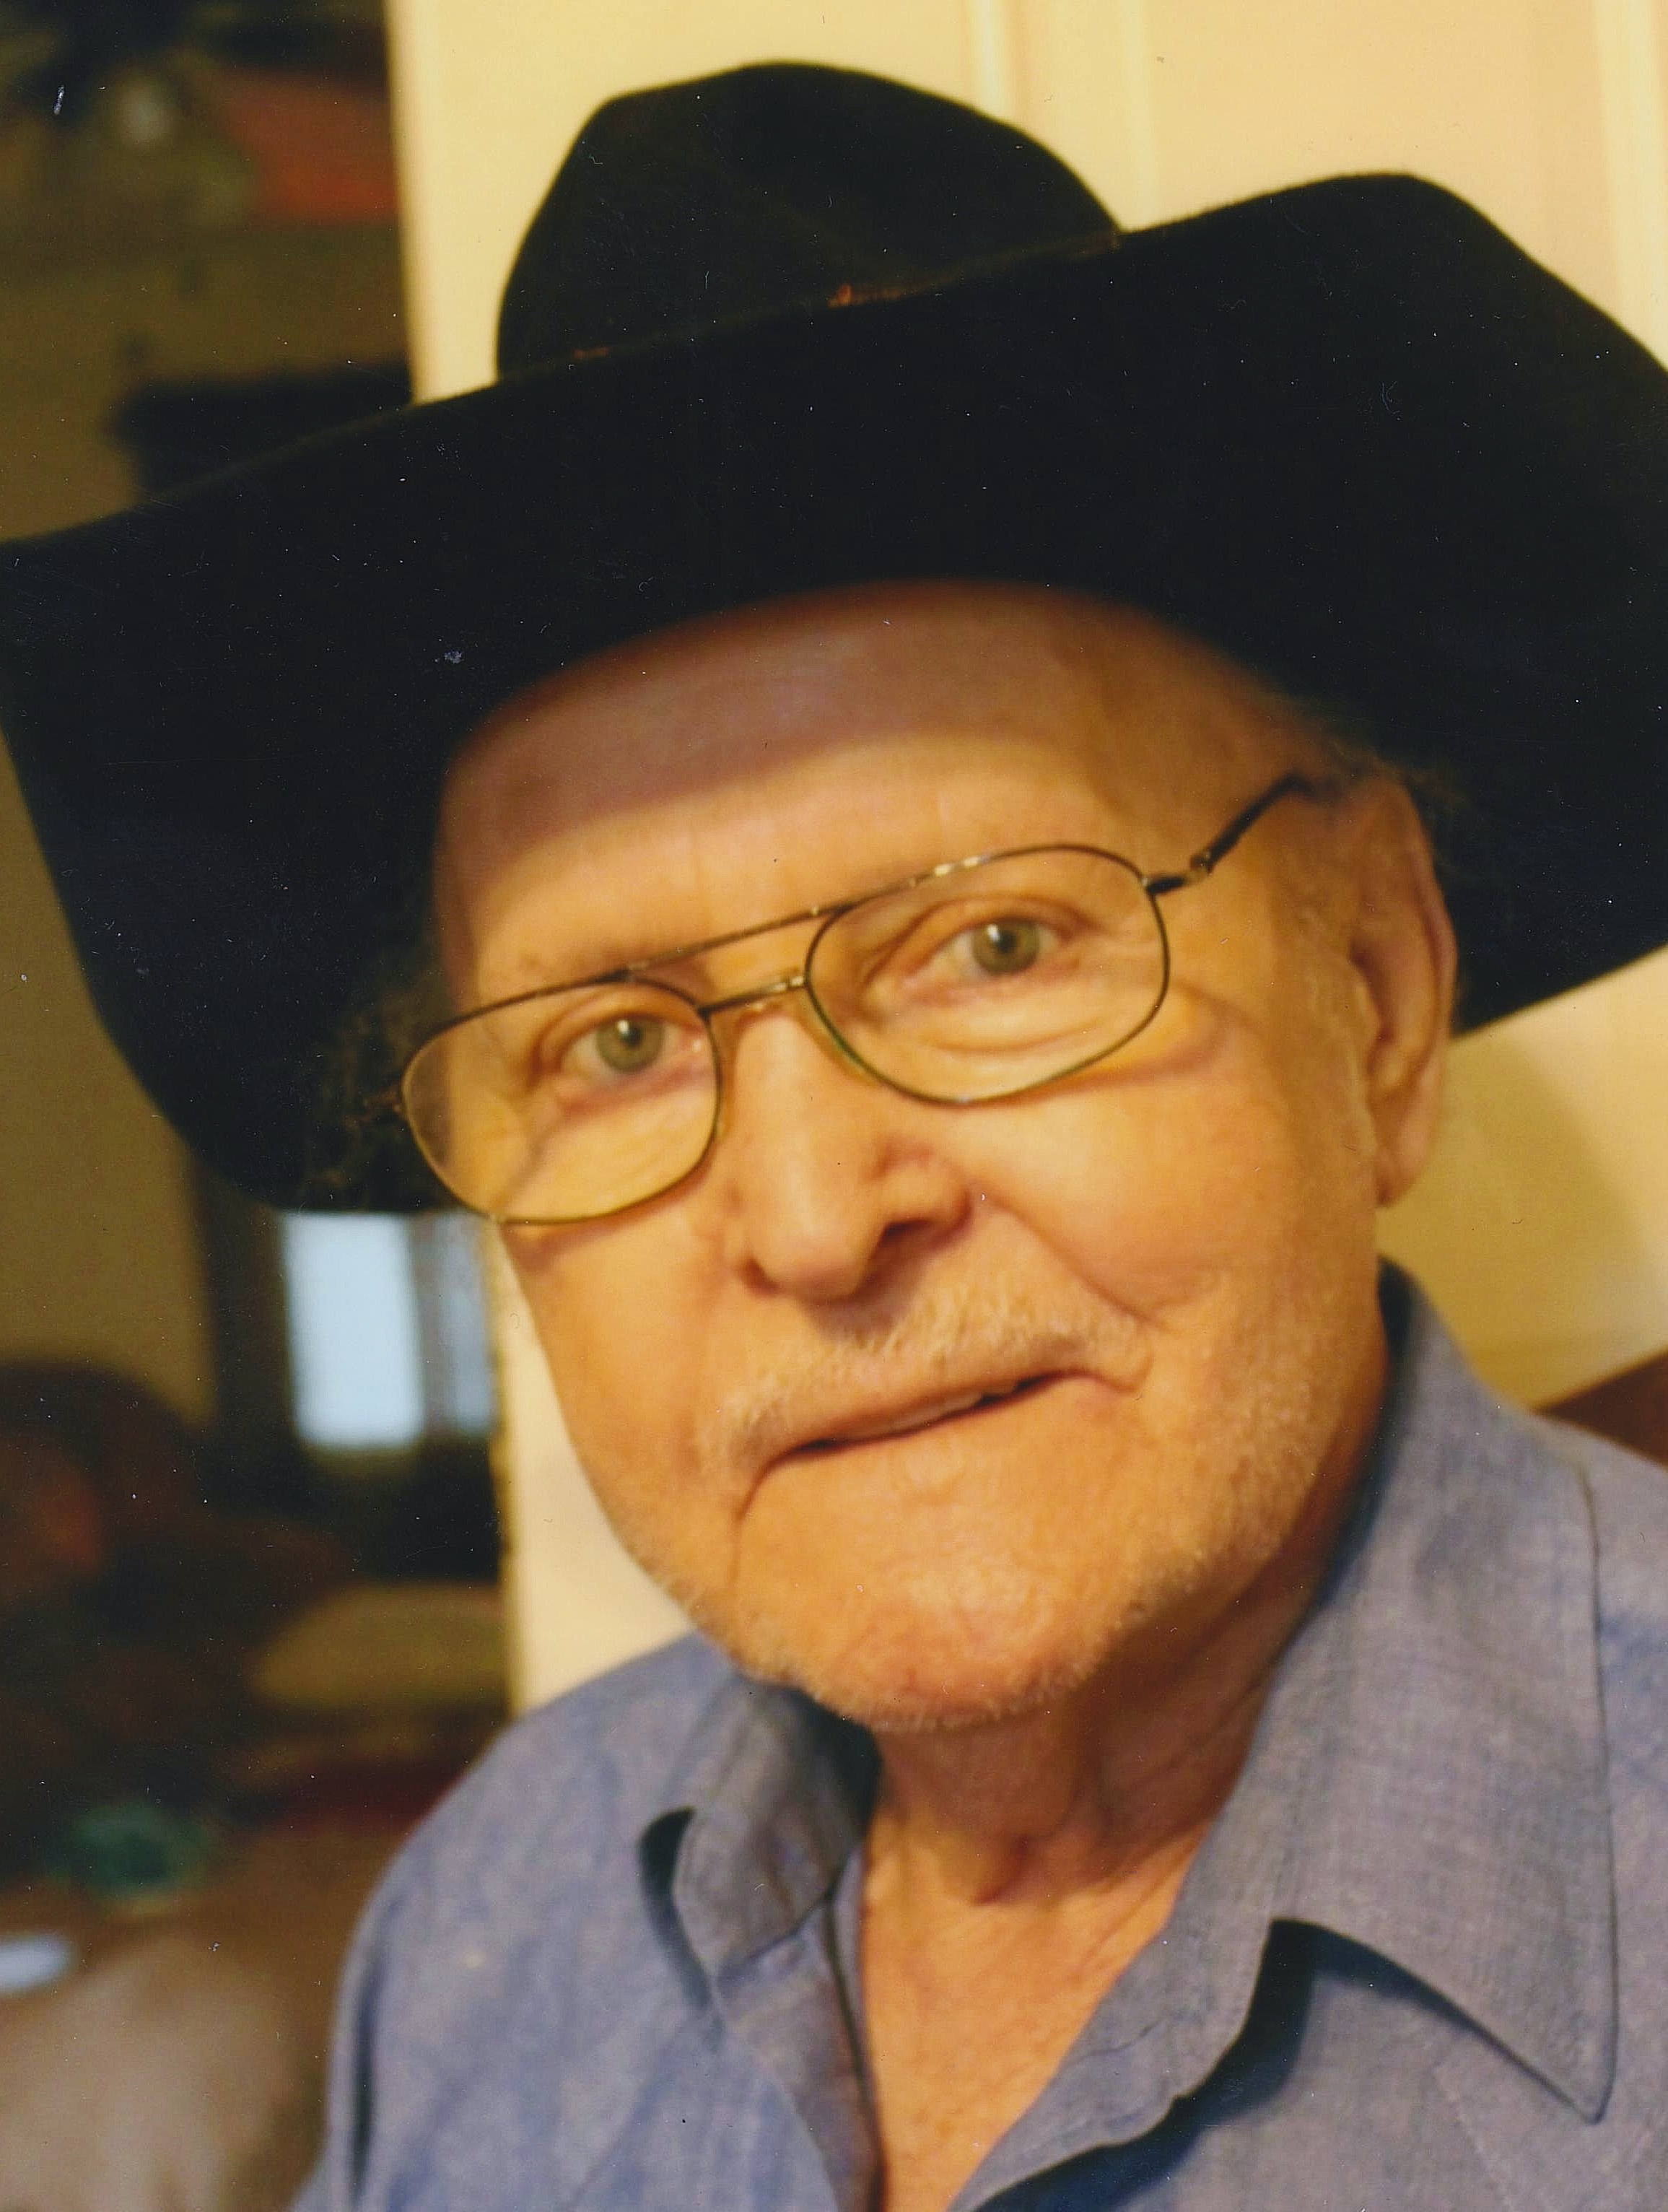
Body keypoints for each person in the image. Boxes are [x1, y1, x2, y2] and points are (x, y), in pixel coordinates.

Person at [3, 61, 1667, 2212]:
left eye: (995, 944)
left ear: (1372, 997)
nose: (812, 1218)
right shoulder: (499, 1923)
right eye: (613, 1042)